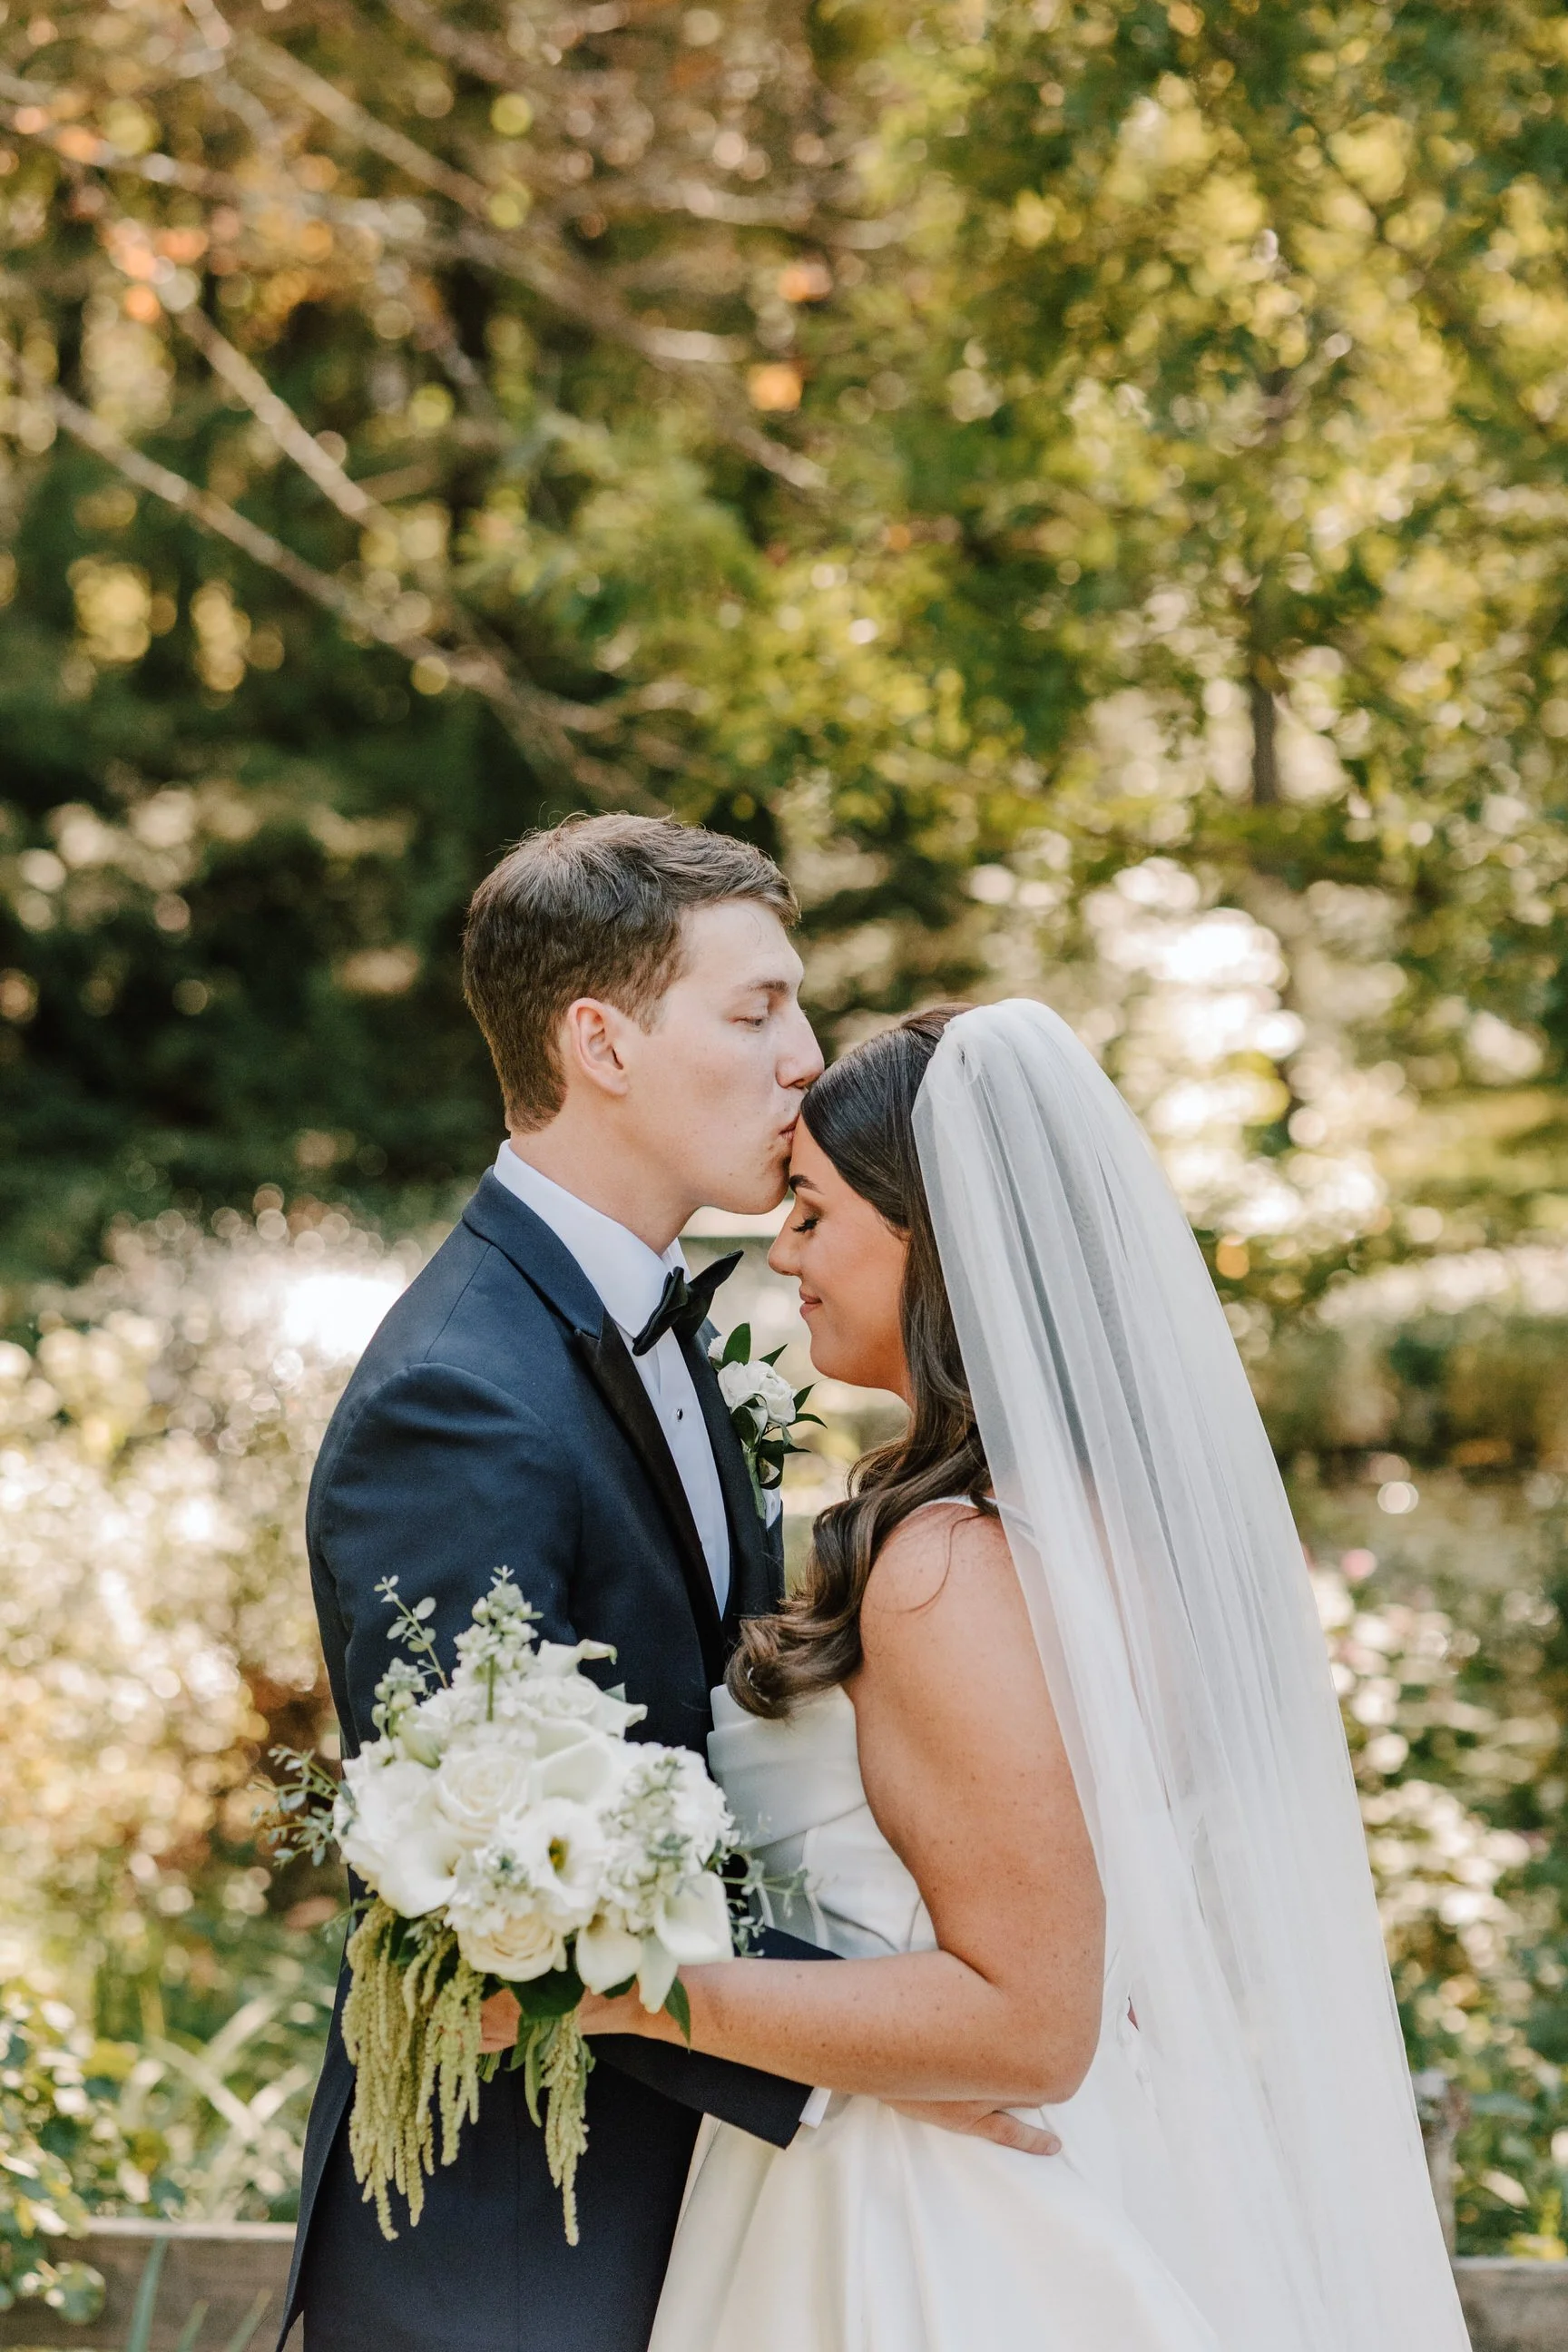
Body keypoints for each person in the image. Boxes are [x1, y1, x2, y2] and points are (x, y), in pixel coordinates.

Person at [559, 1000, 1471, 2352]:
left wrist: (611, 1981)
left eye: (813, 1211)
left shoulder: (951, 1565)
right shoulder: (1105, 1534)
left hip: (926, 2218)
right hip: (1072, 2159)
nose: (785, 1250)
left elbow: (1028, 2023)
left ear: (935, 1238)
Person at [281, 820, 1052, 2352]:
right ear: (601, 1042)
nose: (805, 1058)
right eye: (756, 1009)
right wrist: (887, 2041)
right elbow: (493, 1890)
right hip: (517, 2254)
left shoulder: (654, 1320)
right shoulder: (462, 1396)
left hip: (699, 2216)